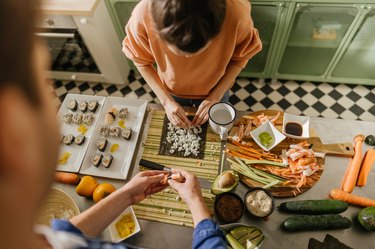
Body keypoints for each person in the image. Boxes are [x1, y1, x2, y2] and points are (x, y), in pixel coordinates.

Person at [0, 1, 227, 249]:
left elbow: (62, 237)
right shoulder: (143, 17)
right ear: (13, 132)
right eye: (45, 79)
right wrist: (196, 202)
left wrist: (127, 195)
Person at [123, 0, 262, 128]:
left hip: (217, 89)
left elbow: (240, 58)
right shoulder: (142, 15)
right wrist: (166, 101)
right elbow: (140, 61)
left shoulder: (237, 13)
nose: (188, 57)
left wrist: (216, 96)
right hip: (171, 92)